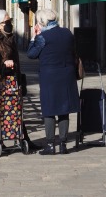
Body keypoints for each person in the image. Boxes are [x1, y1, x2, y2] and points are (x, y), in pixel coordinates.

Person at [0, 9, 40, 152]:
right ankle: (0, 140)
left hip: (13, 80)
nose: (10, 24)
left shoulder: (9, 37)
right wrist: (3, 64)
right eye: (6, 22)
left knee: (15, 111)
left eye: (10, 21)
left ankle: (23, 138)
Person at [27, 8, 79, 155]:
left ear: (42, 22)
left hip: (50, 77)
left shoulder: (43, 37)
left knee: (49, 110)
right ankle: (63, 144)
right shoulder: (67, 33)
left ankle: (50, 145)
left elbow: (31, 54)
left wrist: (33, 37)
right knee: (64, 110)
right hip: (67, 75)